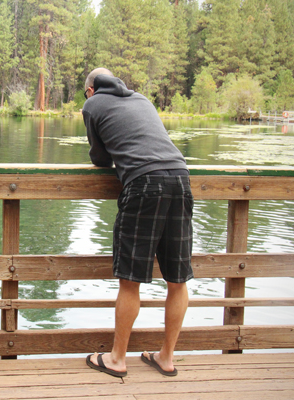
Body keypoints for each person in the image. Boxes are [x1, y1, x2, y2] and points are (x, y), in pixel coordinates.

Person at [82, 68, 194, 378]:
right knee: (177, 280)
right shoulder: (141, 99)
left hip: (144, 184)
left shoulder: (92, 105)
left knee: (130, 280)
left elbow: (100, 158)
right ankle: (166, 358)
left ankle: (117, 359)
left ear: (90, 90)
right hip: (181, 179)